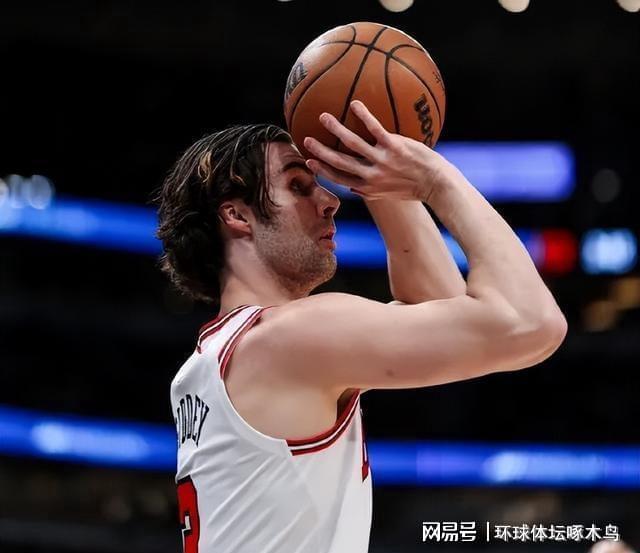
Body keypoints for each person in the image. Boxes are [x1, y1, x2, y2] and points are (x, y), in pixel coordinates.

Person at [157, 100, 567, 553]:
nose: (331, 201)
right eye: (298, 186)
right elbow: (532, 323)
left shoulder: (217, 358)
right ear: (236, 216)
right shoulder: (288, 338)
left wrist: (374, 179)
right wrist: (436, 179)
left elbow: (442, 311)